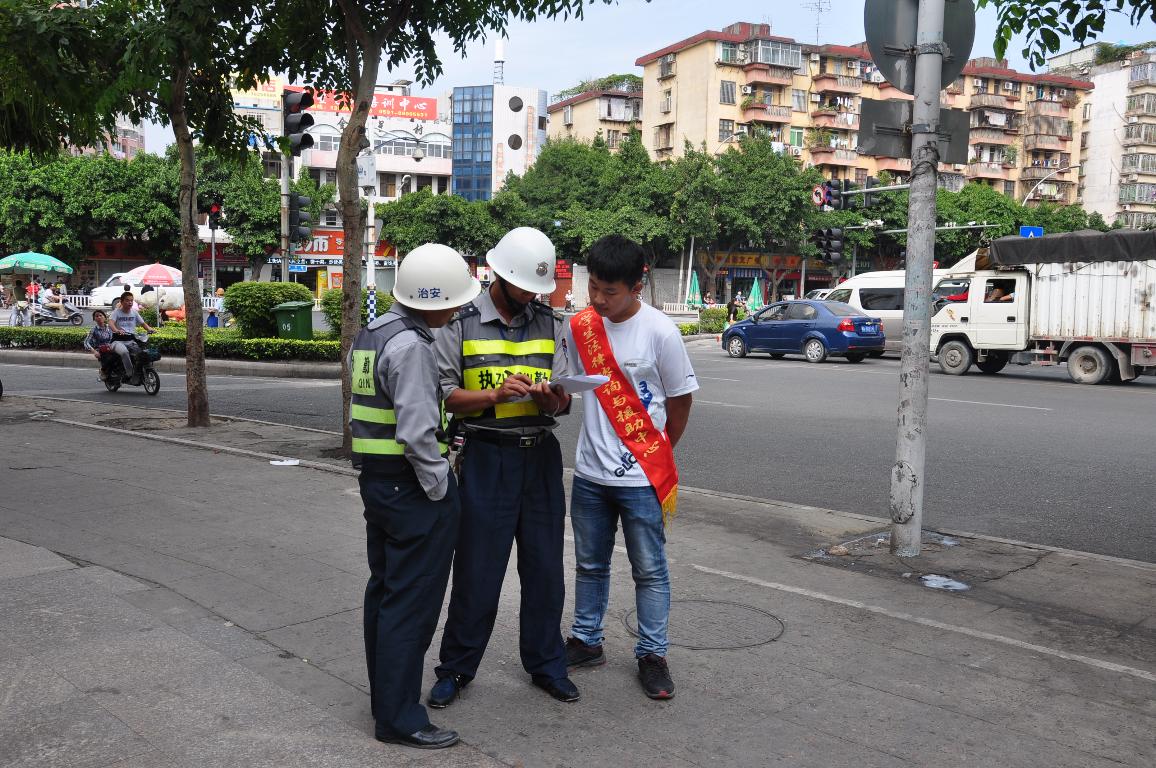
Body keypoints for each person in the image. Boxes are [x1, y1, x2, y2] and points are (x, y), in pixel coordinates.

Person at [427, 227, 578, 710]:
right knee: (477, 570)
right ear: (501, 276)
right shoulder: (462, 322)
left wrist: (554, 397)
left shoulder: (550, 322)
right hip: (486, 457)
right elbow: (446, 394)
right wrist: (494, 395)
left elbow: (565, 401)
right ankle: (455, 668)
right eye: (524, 287)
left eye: (538, 289)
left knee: (545, 570)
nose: (532, 296)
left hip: (540, 459)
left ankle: (547, 665)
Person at [351, 242, 480, 750]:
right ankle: (400, 717)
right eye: (453, 300)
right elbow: (418, 434)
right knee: (412, 604)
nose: (457, 310)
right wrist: (440, 486)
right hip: (411, 490)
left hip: (378, 484)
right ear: (434, 300)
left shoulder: (374, 333)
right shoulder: (412, 347)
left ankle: (386, 697)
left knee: (384, 593)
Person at [563, 235, 698, 700]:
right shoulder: (580, 326)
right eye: (593, 288)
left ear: (637, 285)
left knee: (650, 570)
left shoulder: (661, 332)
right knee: (589, 564)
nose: (598, 299)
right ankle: (586, 641)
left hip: (643, 477)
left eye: (609, 291)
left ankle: (653, 654)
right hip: (589, 474)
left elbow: (680, 401)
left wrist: (657, 451)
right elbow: (571, 387)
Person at [108, 293, 155, 379]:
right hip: (117, 341)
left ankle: (141, 370)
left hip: (131, 341)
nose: (130, 302)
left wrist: (149, 329)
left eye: (131, 300)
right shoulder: (116, 312)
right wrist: (117, 330)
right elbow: (111, 323)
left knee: (142, 353)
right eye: (127, 300)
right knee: (124, 352)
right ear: (121, 302)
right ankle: (130, 374)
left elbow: (143, 323)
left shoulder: (134, 312)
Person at [82, 310, 118, 380]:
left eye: (101, 315)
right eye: (97, 316)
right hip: (101, 350)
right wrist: (94, 351)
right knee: (110, 357)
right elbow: (86, 342)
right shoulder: (94, 330)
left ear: (105, 317)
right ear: (94, 319)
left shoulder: (110, 327)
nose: (99, 317)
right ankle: (103, 370)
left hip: (112, 348)